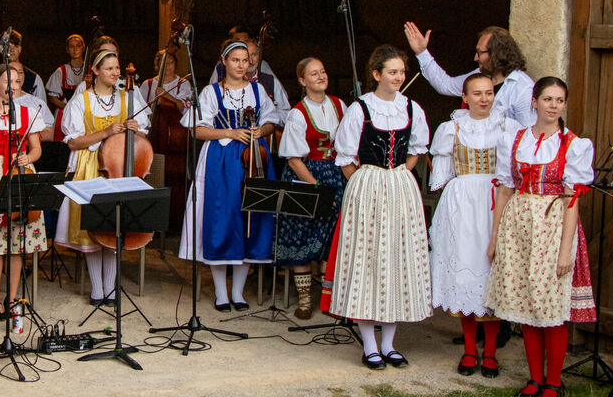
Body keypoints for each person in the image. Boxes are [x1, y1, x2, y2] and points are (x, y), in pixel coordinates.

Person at [484, 77, 595, 397]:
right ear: (534, 102)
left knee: (550, 304)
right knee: (527, 303)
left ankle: (554, 382)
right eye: (548, 99)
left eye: (559, 100)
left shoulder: (573, 144)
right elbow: (505, 191)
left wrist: (565, 250)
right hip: (518, 226)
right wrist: (495, 238)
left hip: (553, 227)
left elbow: (572, 199)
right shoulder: (514, 139)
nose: (553, 106)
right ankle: (534, 378)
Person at [320, 45, 431, 369]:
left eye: (401, 72)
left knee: (396, 261)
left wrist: (399, 176)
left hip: (400, 189)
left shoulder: (411, 108)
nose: (398, 77)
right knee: (367, 263)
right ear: (376, 74)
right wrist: (365, 182)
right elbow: (345, 157)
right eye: (392, 72)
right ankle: (369, 344)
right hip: (367, 188)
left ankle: (389, 344)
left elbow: (416, 150)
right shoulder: (361, 109)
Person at [428, 72, 524, 378]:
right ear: (465, 97)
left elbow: (517, 172)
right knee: (465, 275)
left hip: (496, 202)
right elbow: (442, 177)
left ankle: (491, 352)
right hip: (463, 206)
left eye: (489, 93)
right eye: (478, 93)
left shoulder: (508, 127)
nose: (484, 99)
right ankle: (470, 349)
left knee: (491, 274)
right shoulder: (451, 128)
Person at [179, 41, 278, 312]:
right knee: (223, 219)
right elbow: (196, 130)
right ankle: (221, 293)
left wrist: (261, 131)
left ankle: (238, 292)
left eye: (245, 60)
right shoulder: (211, 92)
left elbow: (271, 121)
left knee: (250, 220)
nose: (241, 65)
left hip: (253, 159)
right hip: (220, 160)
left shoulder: (257, 90)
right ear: (224, 61)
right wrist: (230, 133)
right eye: (236, 60)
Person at [56, 50, 150, 305]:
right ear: (95, 71)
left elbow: (142, 138)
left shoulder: (128, 97)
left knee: (113, 230)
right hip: (90, 167)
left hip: (119, 167)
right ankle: (97, 289)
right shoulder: (81, 100)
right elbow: (73, 142)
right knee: (93, 232)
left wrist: (137, 130)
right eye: (109, 68)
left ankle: (111, 288)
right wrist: (105, 132)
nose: (116, 73)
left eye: (117, 68)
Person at [0, 64, 48, 318]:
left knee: (18, 242)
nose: (13, 86)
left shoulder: (27, 112)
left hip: (20, 175)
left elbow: (36, 149)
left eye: (16, 82)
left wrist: (28, 158)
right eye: (8, 81)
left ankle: (12, 297)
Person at [277, 57, 347, 320]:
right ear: (302, 81)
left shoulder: (340, 105)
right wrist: (317, 188)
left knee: (333, 238)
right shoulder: (297, 114)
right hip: (305, 175)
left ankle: (330, 299)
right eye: (314, 73)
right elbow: (294, 160)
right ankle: (305, 300)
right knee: (302, 236)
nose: (321, 76)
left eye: (323, 71)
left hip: (336, 174)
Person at [403, 22, 536, 126]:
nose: (475, 58)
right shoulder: (481, 75)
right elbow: (446, 85)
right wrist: (422, 52)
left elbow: (527, 134)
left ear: (497, 53)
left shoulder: (522, 87)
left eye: (480, 53)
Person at [46, 34, 86, 142]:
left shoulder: (90, 71)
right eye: (71, 46)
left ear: (83, 48)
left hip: (84, 113)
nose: (75, 49)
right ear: (67, 49)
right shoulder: (61, 71)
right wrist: (68, 108)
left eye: (78, 46)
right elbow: (52, 97)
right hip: (64, 112)